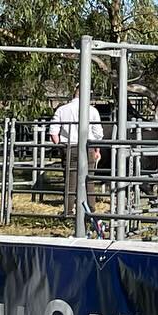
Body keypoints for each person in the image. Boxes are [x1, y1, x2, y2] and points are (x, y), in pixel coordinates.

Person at [49, 94, 106, 237]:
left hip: (69, 147)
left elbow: (53, 132)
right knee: (89, 180)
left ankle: (68, 211)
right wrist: (97, 149)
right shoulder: (92, 110)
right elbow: (98, 134)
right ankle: (91, 210)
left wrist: (61, 147)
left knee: (70, 180)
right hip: (88, 147)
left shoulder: (62, 109)